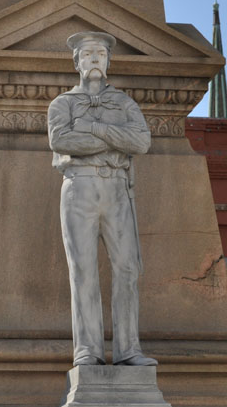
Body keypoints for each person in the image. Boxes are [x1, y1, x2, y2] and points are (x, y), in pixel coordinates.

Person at [47, 31, 156, 367]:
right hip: (79, 187)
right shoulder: (62, 104)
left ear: (108, 62)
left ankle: (128, 350)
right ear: (77, 61)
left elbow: (140, 143)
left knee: (126, 269)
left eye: (100, 54)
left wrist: (95, 130)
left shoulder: (124, 103)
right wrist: (113, 140)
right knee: (83, 270)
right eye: (88, 54)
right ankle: (87, 350)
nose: (95, 59)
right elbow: (62, 142)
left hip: (116, 189)